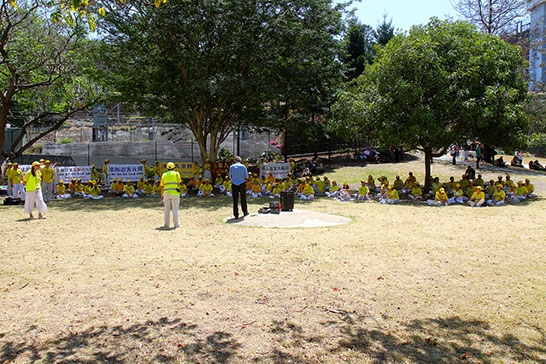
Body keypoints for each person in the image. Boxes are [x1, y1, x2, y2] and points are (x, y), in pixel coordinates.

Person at [160, 162, 182, 228]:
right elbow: (179, 182)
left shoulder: (164, 174)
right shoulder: (176, 174)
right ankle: (176, 224)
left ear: (167, 168)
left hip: (166, 194)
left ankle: (166, 225)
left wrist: (162, 195)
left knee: (166, 210)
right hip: (175, 193)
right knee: (175, 209)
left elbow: (162, 186)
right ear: (174, 168)